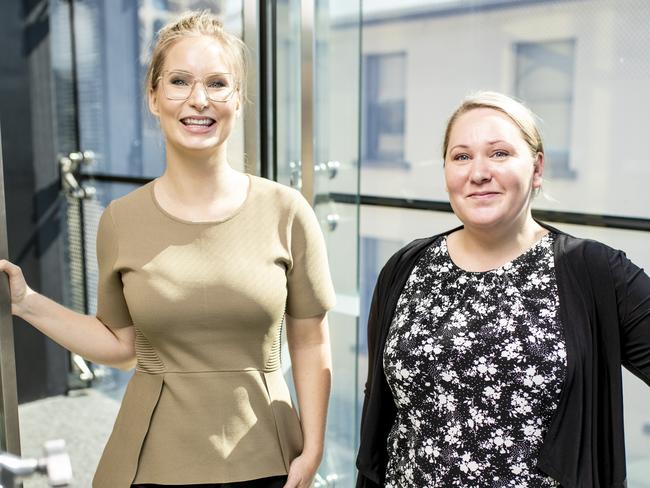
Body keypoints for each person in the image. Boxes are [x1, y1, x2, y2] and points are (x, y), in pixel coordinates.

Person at [0, 10, 335, 488]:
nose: (198, 100)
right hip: (149, 462)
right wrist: (25, 303)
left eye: (218, 83)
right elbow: (120, 346)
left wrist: (315, 448)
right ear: (154, 97)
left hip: (268, 456)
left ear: (237, 99)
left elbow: (310, 341)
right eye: (179, 81)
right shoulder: (121, 219)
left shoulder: (287, 211)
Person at [355, 91, 650, 487]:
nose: (478, 173)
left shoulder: (593, 271)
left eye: (499, 153)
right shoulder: (405, 268)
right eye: (461, 156)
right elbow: (381, 416)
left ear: (537, 167)